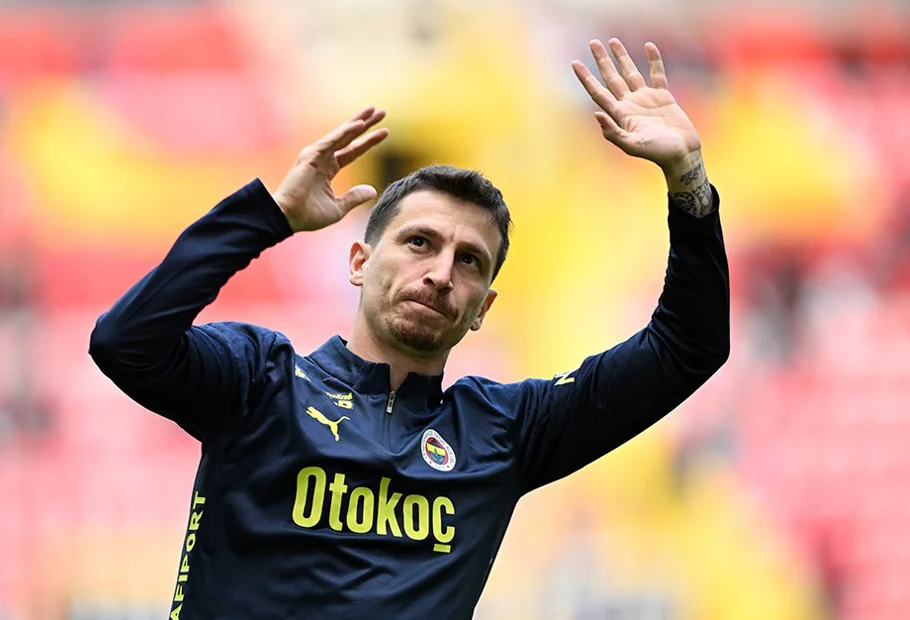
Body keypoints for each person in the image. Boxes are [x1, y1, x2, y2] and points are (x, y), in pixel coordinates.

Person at [89, 38, 729, 619]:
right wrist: (268, 215)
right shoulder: (259, 381)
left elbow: (688, 347)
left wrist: (688, 182)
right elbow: (125, 342)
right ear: (359, 262)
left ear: (483, 307)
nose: (441, 273)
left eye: (469, 261)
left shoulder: (502, 432)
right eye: (420, 242)